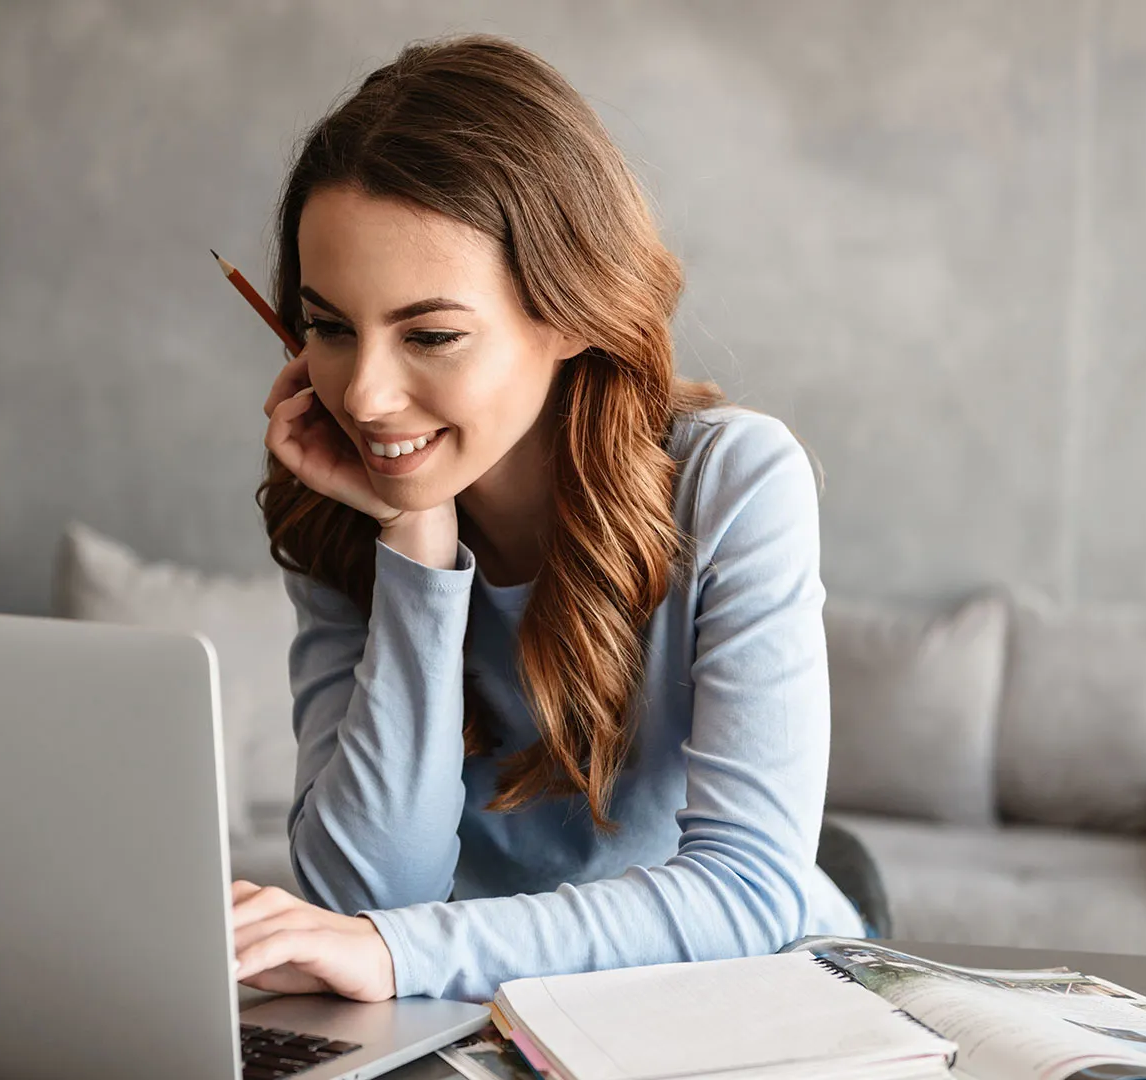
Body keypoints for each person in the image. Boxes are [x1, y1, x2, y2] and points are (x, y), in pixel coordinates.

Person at [228, 32, 867, 1007]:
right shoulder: (339, 502)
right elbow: (370, 895)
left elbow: (749, 891)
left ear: (568, 311)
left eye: (431, 334)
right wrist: (417, 545)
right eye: (329, 327)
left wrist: (404, 955)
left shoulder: (735, 481)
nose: (364, 395)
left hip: (731, 1008)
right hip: (477, 1016)